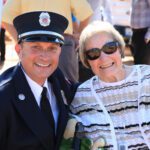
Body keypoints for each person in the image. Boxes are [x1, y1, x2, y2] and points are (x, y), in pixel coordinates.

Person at [0, 11, 76, 150]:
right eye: (36, 47)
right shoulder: (3, 97)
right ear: (19, 50)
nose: (45, 57)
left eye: (52, 48)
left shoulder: (58, 79)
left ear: (60, 51)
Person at [69, 21, 150, 149]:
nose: (104, 58)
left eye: (109, 48)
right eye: (93, 53)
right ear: (86, 60)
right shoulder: (81, 97)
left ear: (120, 49)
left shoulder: (147, 78)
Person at [2, 0, 93, 82]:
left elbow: (4, 16)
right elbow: (86, 13)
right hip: (61, 43)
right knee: (68, 90)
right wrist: (79, 34)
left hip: (34, 44)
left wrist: (21, 41)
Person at [131, 0, 150, 64]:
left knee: (143, 64)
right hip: (136, 32)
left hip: (145, 33)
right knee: (137, 62)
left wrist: (148, 35)